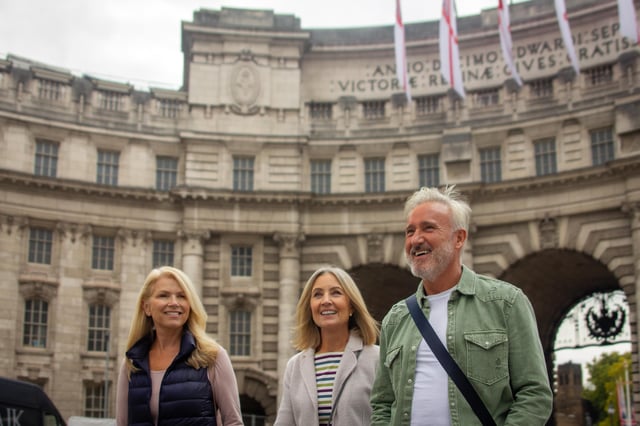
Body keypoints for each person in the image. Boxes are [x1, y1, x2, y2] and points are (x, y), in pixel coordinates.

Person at [370, 186, 553, 425]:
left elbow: (534, 393)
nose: (416, 239)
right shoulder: (395, 318)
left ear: (459, 238)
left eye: (429, 227)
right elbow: (382, 402)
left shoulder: (506, 303)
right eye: (409, 231)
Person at [115, 266, 243, 426]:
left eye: (182, 296)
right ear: (146, 307)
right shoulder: (132, 363)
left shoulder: (213, 357)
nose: (174, 303)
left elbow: (233, 422)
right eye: (164, 295)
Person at [274, 266, 380, 426]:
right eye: (317, 295)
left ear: (351, 305)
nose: (326, 301)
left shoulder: (377, 359)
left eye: (336, 293)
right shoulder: (294, 367)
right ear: (310, 307)